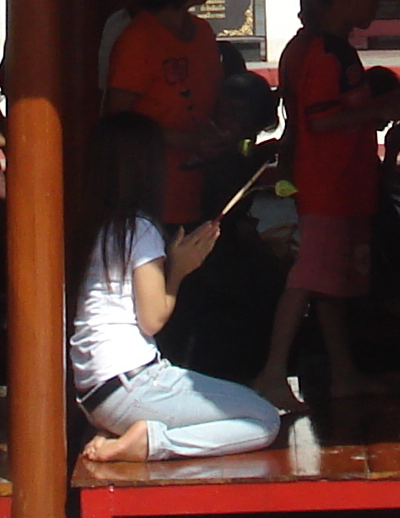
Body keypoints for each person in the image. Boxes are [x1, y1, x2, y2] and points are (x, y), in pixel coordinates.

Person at [67, 112, 280, 462]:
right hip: (132, 387)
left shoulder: (98, 225)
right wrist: (181, 269)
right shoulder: (140, 229)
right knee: (264, 419)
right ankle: (151, 443)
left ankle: (139, 435)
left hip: (98, 393)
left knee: (240, 401)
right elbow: (152, 319)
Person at [256, 0, 395, 407]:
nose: (376, 3)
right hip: (329, 184)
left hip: (334, 182)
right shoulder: (325, 52)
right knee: (309, 275)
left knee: (330, 283)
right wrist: (383, 109)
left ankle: (343, 373)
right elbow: (320, 120)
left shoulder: (308, 47)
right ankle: (273, 371)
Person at [104, 0, 220, 226]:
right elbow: (119, 120)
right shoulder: (138, 40)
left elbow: (213, 98)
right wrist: (185, 140)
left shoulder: (203, 32)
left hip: (203, 185)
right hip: (152, 193)